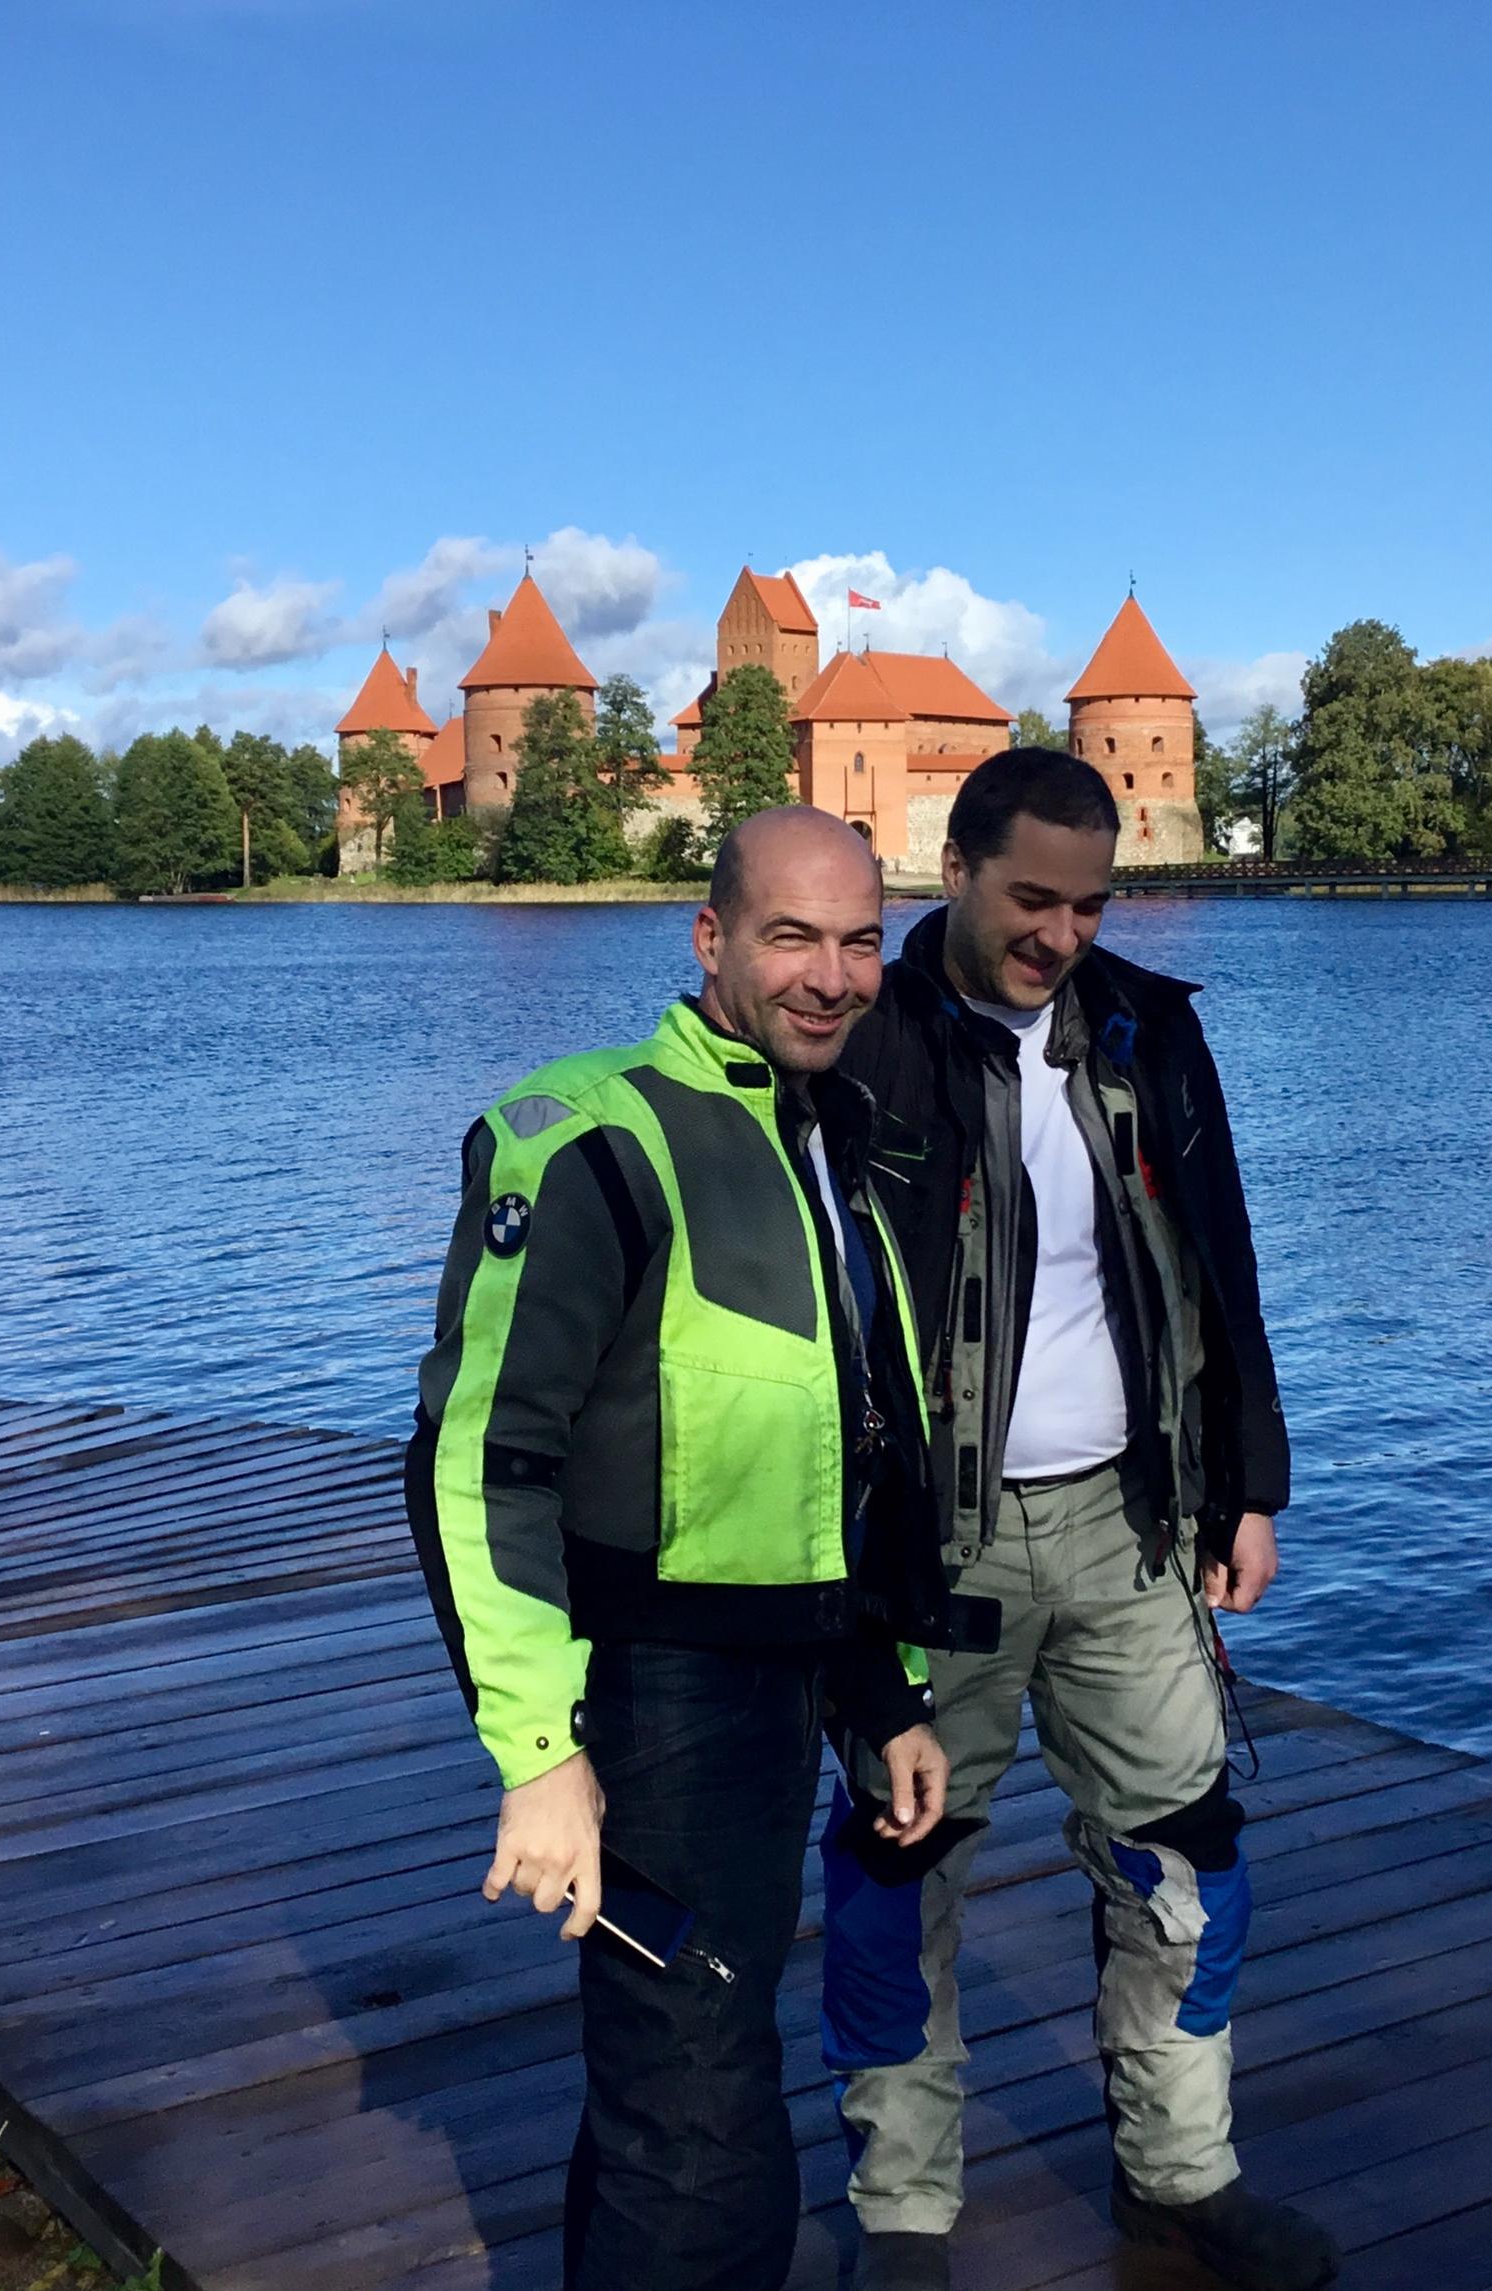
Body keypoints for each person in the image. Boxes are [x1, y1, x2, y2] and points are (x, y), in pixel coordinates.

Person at [406, 806, 967, 2291]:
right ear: (711, 939)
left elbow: (833, 1455)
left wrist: (883, 1691)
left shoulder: (833, 1135)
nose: (832, 978)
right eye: (792, 938)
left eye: (861, 942)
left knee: (682, 2078)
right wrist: (539, 1753)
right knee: (702, 2124)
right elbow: (477, 1462)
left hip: (786, 1679)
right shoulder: (589, 1137)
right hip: (650, 1700)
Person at [826, 751, 1338, 2290]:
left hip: (1132, 1523)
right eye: (1031, 900)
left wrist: (1249, 1484)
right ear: (953, 873)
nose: (1059, 935)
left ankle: (1178, 2179)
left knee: (1184, 1854)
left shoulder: (1144, 1028)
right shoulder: (862, 1041)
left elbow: (1219, 1260)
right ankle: (902, 2217)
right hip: (934, 1548)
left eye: (1089, 904)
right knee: (898, 1872)